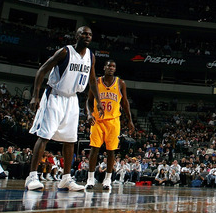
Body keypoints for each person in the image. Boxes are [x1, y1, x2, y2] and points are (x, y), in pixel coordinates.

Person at [25, 26, 98, 192]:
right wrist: (35, 95)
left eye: (90, 34)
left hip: (72, 99)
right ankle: (32, 176)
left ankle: (66, 179)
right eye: (84, 33)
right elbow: (42, 70)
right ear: (76, 35)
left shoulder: (90, 56)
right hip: (55, 96)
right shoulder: (65, 52)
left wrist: (95, 103)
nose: (87, 36)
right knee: (44, 136)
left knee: (71, 140)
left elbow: (92, 81)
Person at [85, 60, 135, 191]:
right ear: (104, 67)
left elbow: (125, 103)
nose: (111, 68)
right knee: (94, 149)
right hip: (98, 120)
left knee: (111, 151)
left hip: (113, 121)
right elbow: (89, 101)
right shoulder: (96, 82)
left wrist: (130, 120)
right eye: (109, 66)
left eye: (113, 66)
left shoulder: (120, 83)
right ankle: (90, 179)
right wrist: (89, 114)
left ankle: (108, 179)